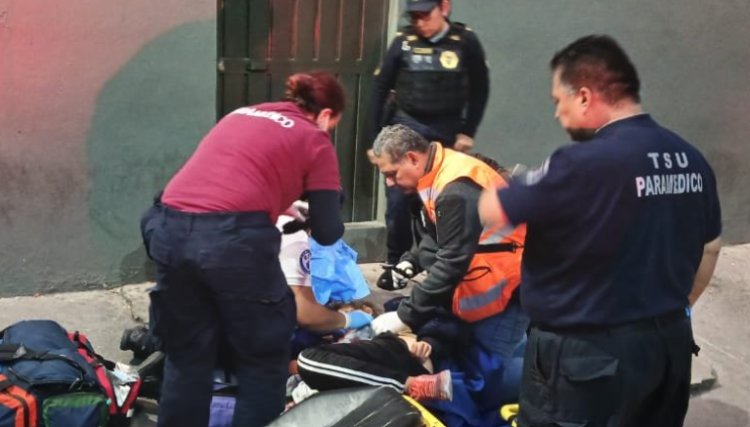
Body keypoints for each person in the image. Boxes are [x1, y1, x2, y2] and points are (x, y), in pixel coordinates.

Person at [478, 35, 722, 427]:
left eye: (560, 101)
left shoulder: (581, 165)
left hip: (586, 361)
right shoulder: (691, 159)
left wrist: (511, 182)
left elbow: (493, 209)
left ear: (586, 97)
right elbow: (711, 248)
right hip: (667, 348)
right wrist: (674, 307)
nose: (559, 114)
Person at [139, 71, 349, 427]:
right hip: (230, 243)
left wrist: (281, 203)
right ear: (326, 115)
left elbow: (227, 181)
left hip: (168, 227)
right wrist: (315, 213)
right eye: (332, 125)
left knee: (188, 357)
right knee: (262, 361)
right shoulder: (314, 138)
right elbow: (329, 232)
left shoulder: (243, 113)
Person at [368, 124, 528, 364]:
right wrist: (411, 262)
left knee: (493, 378)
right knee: (497, 364)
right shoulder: (440, 172)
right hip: (492, 287)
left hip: (504, 291)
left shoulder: (455, 189)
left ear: (412, 158)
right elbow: (438, 234)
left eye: (392, 174)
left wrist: (404, 316)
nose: (390, 183)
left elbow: (452, 261)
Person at [370, 0, 491, 289]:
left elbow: (480, 88)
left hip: (445, 130)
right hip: (406, 123)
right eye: (414, 16)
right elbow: (379, 89)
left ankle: (436, 261)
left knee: (439, 199)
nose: (420, 22)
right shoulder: (403, 43)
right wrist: (376, 140)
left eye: (426, 14)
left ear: (444, 8)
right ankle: (396, 260)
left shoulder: (465, 42)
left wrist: (467, 131)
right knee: (398, 199)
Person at [297, 314, 463, 402]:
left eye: (345, 309)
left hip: (402, 353)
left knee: (308, 359)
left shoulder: (388, 322)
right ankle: (412, 384)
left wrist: (427, 342)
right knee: (309, 360)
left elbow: (444, 321)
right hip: (394, 370)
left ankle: (412, 384)